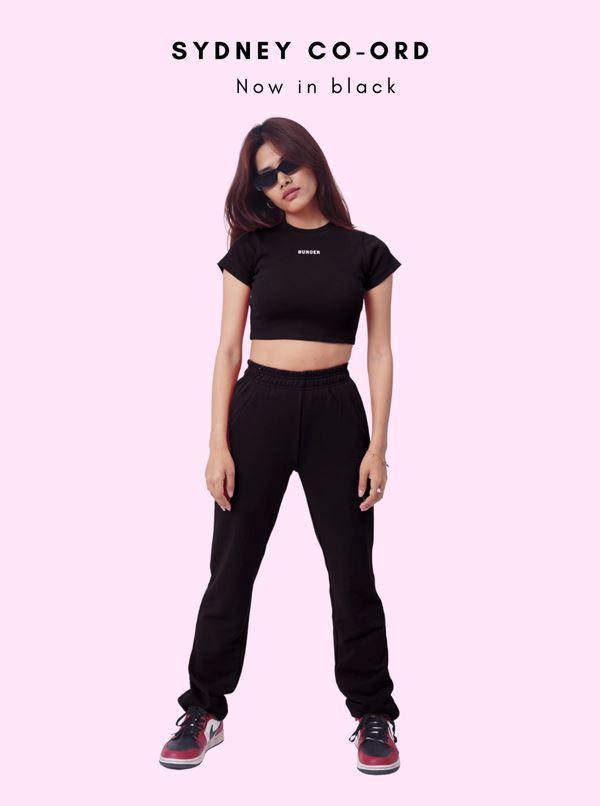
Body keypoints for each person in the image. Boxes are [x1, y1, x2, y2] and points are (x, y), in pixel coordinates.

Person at [159, 117, 402, 775]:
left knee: (352, 569)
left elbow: (380, 352)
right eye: (266, 176)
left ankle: (372, 714)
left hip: (336, 412)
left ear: (311, 160)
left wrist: (378, 446)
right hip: (258, 408)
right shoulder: (251, 251)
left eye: (287, 165)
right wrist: (217, 444)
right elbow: (225, 350)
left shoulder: (367, 251)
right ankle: (203, 709)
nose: (281, 181)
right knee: (232, 566)